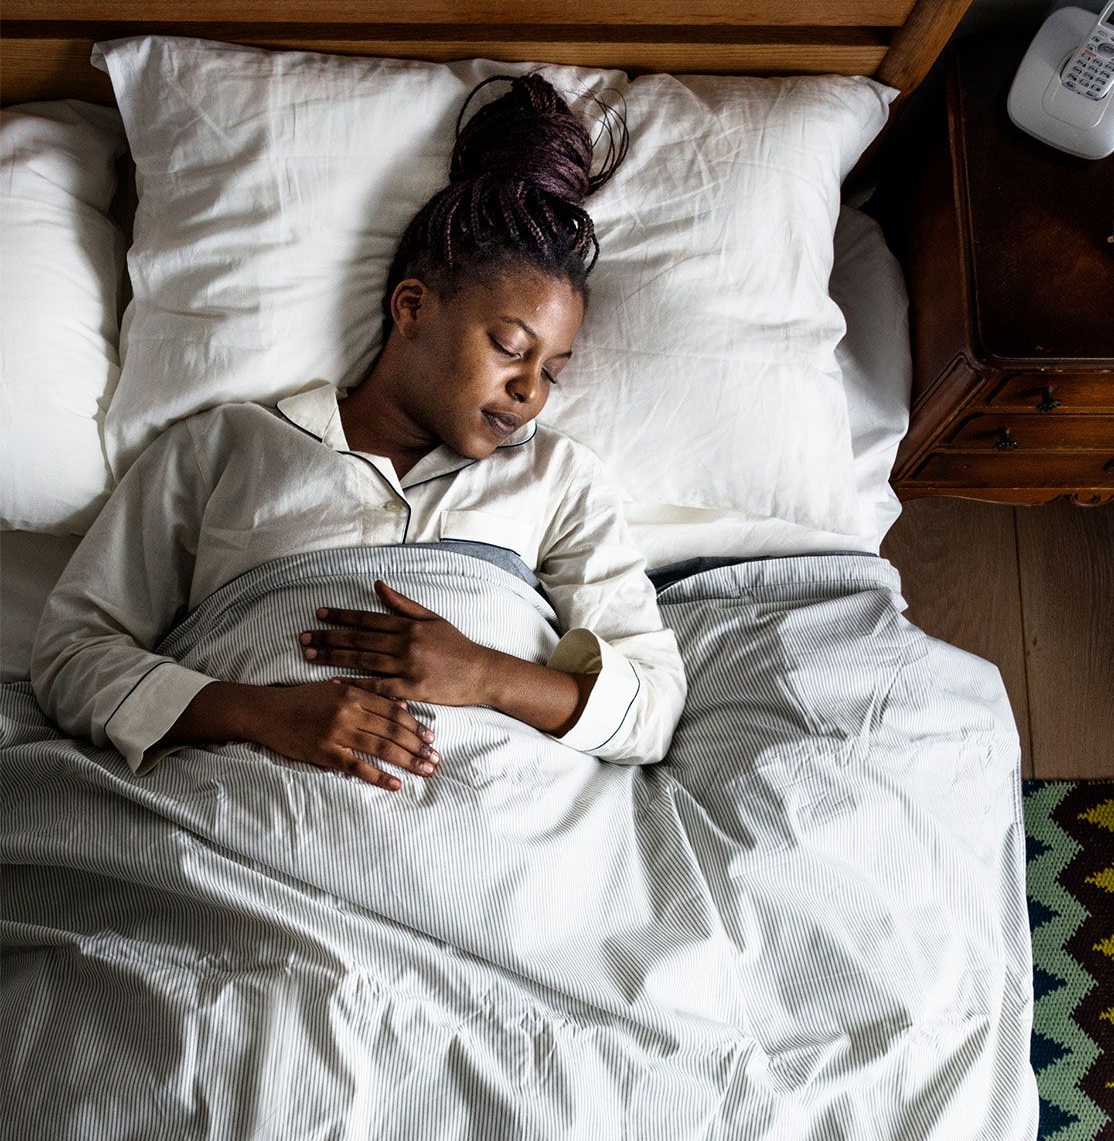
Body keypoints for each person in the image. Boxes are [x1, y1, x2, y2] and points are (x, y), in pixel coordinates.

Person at [30, 71, 687, 794]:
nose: (530, 390)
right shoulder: (225, 448)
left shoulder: (559, 479)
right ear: (413, 307)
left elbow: (652, 706)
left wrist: (488, 675)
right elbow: (72, 655)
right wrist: (259, 712)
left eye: (552, 371)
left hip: (496, 827)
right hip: (243, 806)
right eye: (509, 346)